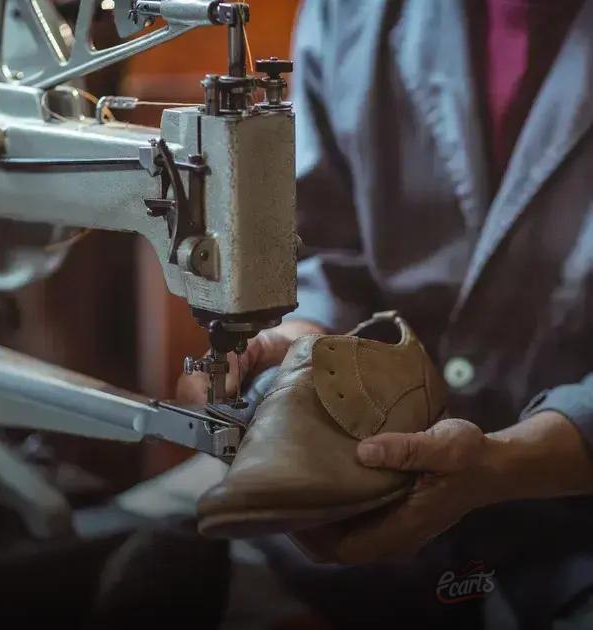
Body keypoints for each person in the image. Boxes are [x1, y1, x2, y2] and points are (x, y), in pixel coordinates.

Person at [178, 0, 593, 627]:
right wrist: (297, 339)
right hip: (365, 485)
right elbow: (328, 257)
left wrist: (508, 464)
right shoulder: (351, 13)